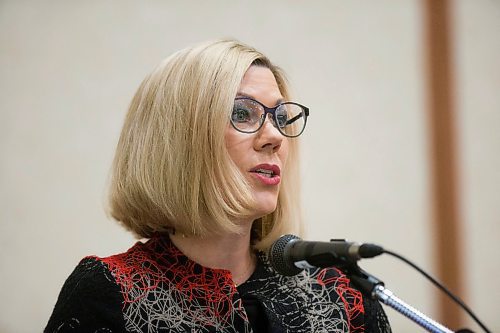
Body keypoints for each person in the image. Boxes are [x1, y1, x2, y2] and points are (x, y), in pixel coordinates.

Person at [45, 39, 391, 333]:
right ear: (179, 141)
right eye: (242, 113)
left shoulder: (343, 297)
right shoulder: (109, 292)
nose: (274, 137)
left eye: (281, 118)